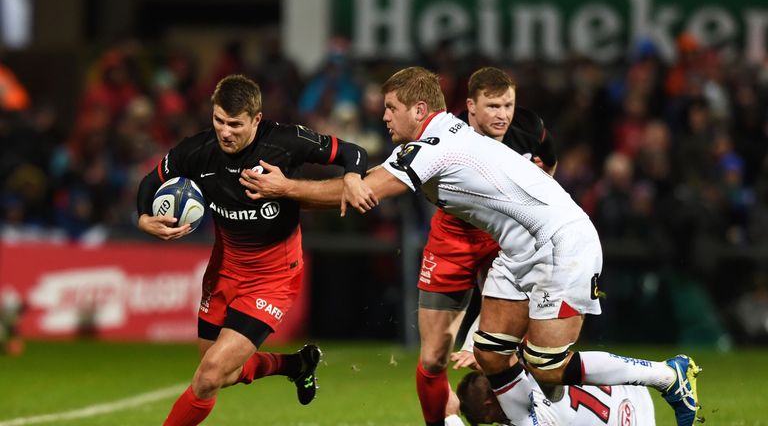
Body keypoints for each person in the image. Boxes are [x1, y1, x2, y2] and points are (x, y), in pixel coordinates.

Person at [239, 66, 702, 426]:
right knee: (491, 356)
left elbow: (366, 193)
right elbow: (367, 185)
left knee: (546, 366)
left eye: (391, 108)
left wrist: (285, 188)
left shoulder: (435, 144)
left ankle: (668, 375)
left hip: (562, 243)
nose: (384, 116)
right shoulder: (439, 137)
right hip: (518, 250)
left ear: (419, 110)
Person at [136, 74, 374, 426]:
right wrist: (143, 218)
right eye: (219, 121)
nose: (225, 132)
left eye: (235, 124)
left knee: (208, 378)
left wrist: (353, 176)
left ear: (256, 120)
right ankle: (295, 364)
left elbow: (354, 153)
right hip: (223, 271)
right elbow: (150, 181)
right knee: (218, 373)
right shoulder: (198, 151)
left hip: (273, 277)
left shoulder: (285, 141)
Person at [412, 67, 557, 426]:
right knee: (432, 357)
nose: (503, 114)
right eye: (492, 106)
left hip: (503, 235)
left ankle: (517, 414)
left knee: (513, 339)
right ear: (471, 107)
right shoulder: (449, 137)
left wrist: (540, 179)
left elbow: (548, 163)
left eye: (508, 104)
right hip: (454, 236)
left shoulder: (529, 126)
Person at [455, 370, 656, 425]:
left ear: (489, 404)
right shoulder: (529, 368)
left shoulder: (532, 415)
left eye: (488, 420)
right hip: (630, 391)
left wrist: (449, 418)